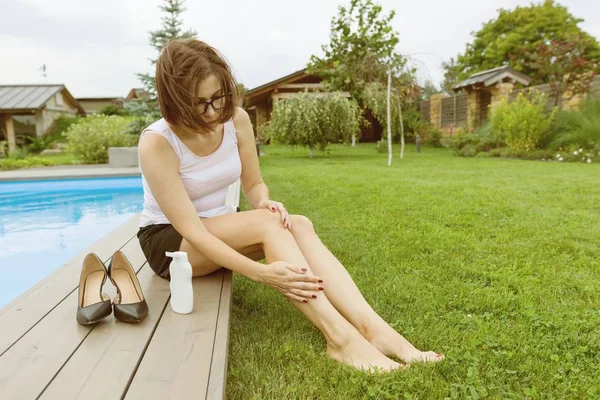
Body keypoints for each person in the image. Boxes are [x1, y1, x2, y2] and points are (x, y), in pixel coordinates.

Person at [137, 38, 444, 372]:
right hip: (172, 243)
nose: (212, 112)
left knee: (297, 223)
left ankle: (373, 328)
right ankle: (340, 339)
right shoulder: (157, 142)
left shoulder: (236, 120)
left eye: (217, 97)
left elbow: (253, 184)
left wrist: (265, 202)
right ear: (175, 100)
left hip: (222, 227)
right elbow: (194, 231)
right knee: (267, 224)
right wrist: (262, 274)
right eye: (198, 104)